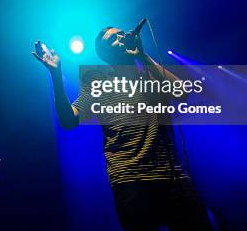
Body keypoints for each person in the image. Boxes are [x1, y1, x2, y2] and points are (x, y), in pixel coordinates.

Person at [33, 26, 211, 230]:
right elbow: (67, 120)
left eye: (121, 34)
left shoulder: (150, 74)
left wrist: (143, 56)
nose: (122, 37)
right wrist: (56, 76)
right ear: (105, 53)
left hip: (173, 175)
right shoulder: (97, 82)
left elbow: (182, 93)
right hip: (130, 179)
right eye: (114, 39)